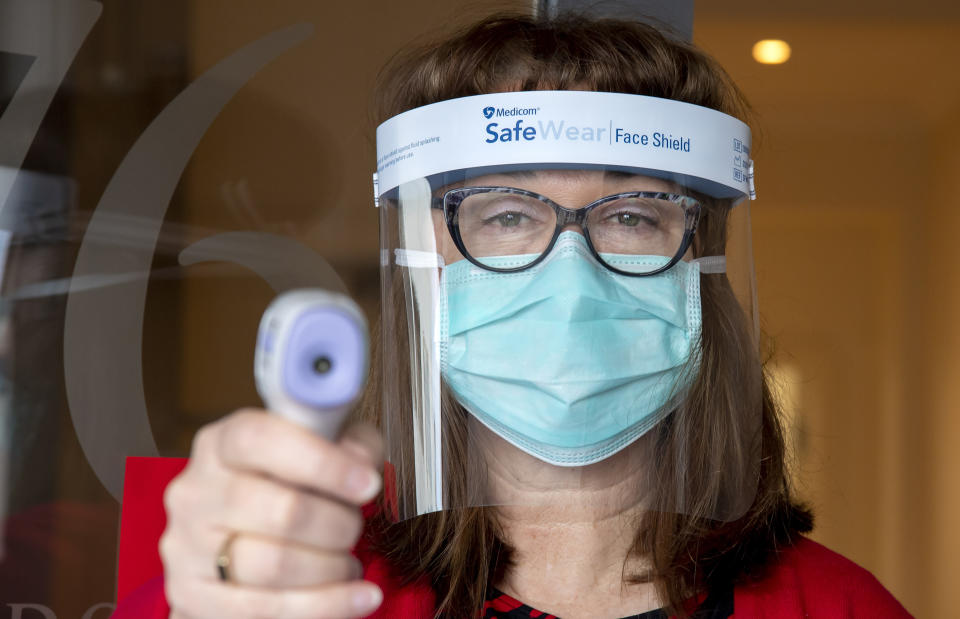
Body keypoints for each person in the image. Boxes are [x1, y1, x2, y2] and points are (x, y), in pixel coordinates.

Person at [112, 13, 912, 619]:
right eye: (503, 214)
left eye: (634, 215)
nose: (571, 270)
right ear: (423, 265)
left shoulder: (839, 604)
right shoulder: (296, 575)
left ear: (699, 265)